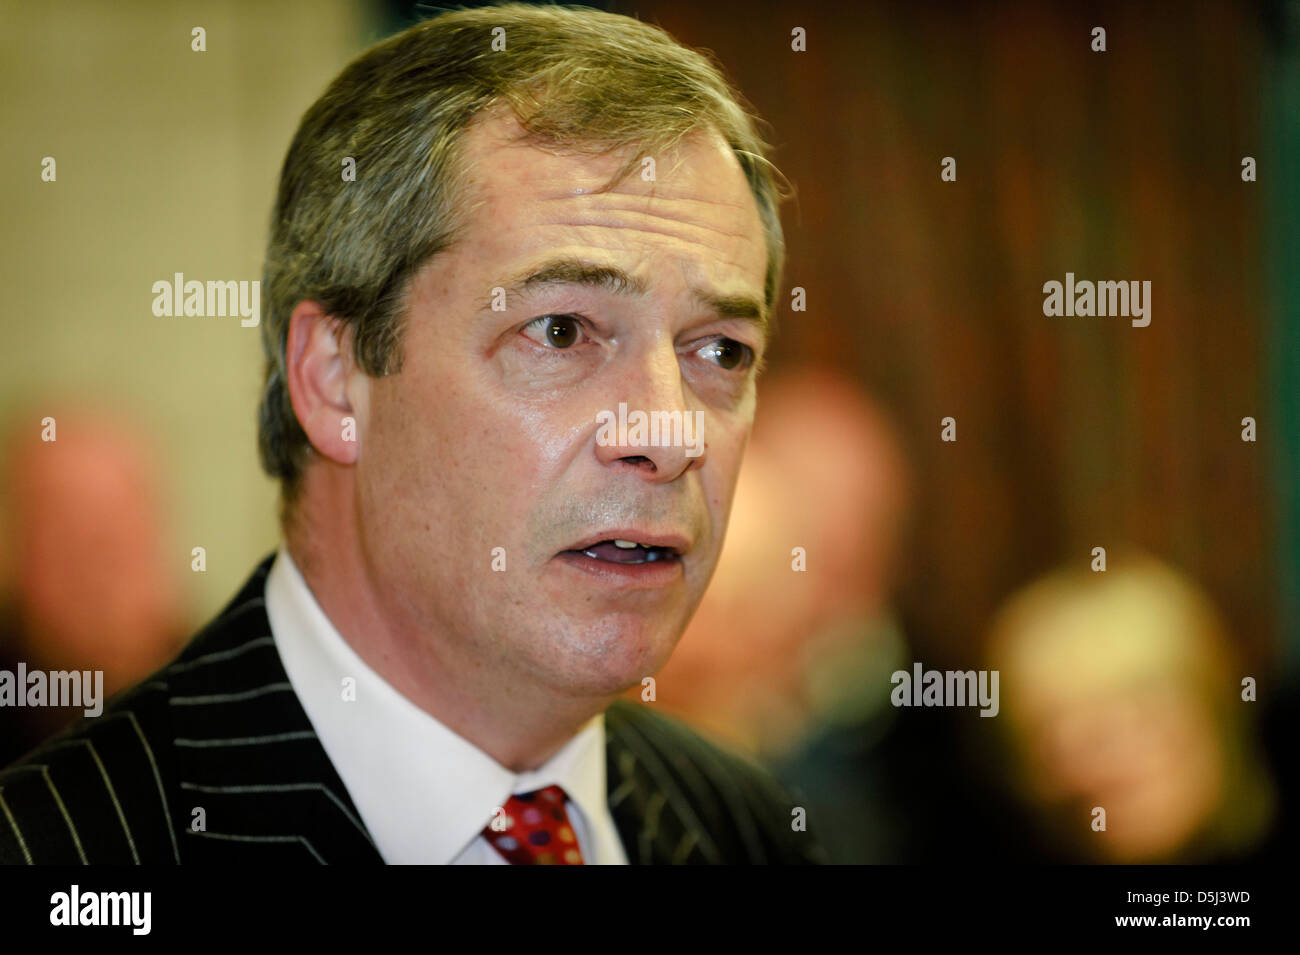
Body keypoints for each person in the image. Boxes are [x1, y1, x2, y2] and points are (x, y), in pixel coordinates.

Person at [0, 4, 823, 865]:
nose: (668, 433)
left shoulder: (749, 828)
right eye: (561, 332)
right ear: (333, 377)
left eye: (722, 349)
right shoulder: (68, 849)